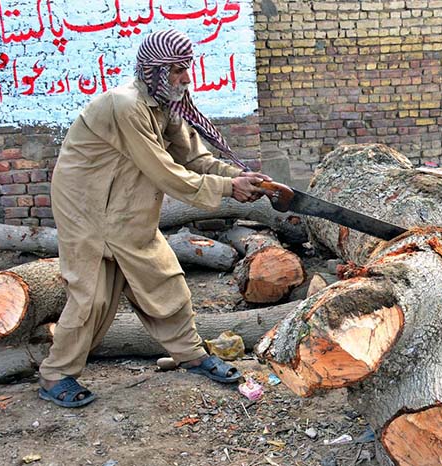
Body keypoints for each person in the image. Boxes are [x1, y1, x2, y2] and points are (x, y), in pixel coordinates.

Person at [38, 29, 270, 408]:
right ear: (156, 71)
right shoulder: (124, 104)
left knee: (165, 280)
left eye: (187, 67)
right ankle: (55, 375)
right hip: (86, 206)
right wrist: (228, 191)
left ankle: (191, 354)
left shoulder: (165, 105)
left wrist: (237, 176)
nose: (186, 77)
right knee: (91, 298)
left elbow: (195, 160)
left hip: (127, 201)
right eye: (178, 69)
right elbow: (163, 171)